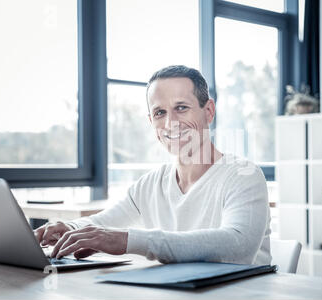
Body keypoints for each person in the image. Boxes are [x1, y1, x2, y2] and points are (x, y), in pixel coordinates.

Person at [35, 65, 272, 265]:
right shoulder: (150, 184)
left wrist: (128, 241)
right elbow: (103, 224)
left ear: (208, 111)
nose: (170, 123)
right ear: (151, 121)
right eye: (160, 113)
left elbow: (238, 246)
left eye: (181, 108)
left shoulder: (243, 176)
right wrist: (69, 228)